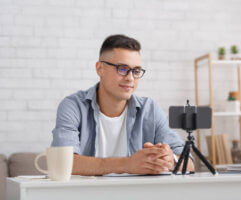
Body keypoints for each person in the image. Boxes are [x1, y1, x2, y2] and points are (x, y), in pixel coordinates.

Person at [51, 34, 194, 175]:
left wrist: (170, 160)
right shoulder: (73, 106)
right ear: (100, 69)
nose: (130, 78)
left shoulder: (150, 109)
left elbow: (189, 163)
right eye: (122, 69)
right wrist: (127, 164)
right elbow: (62, 163)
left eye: (136, 71)